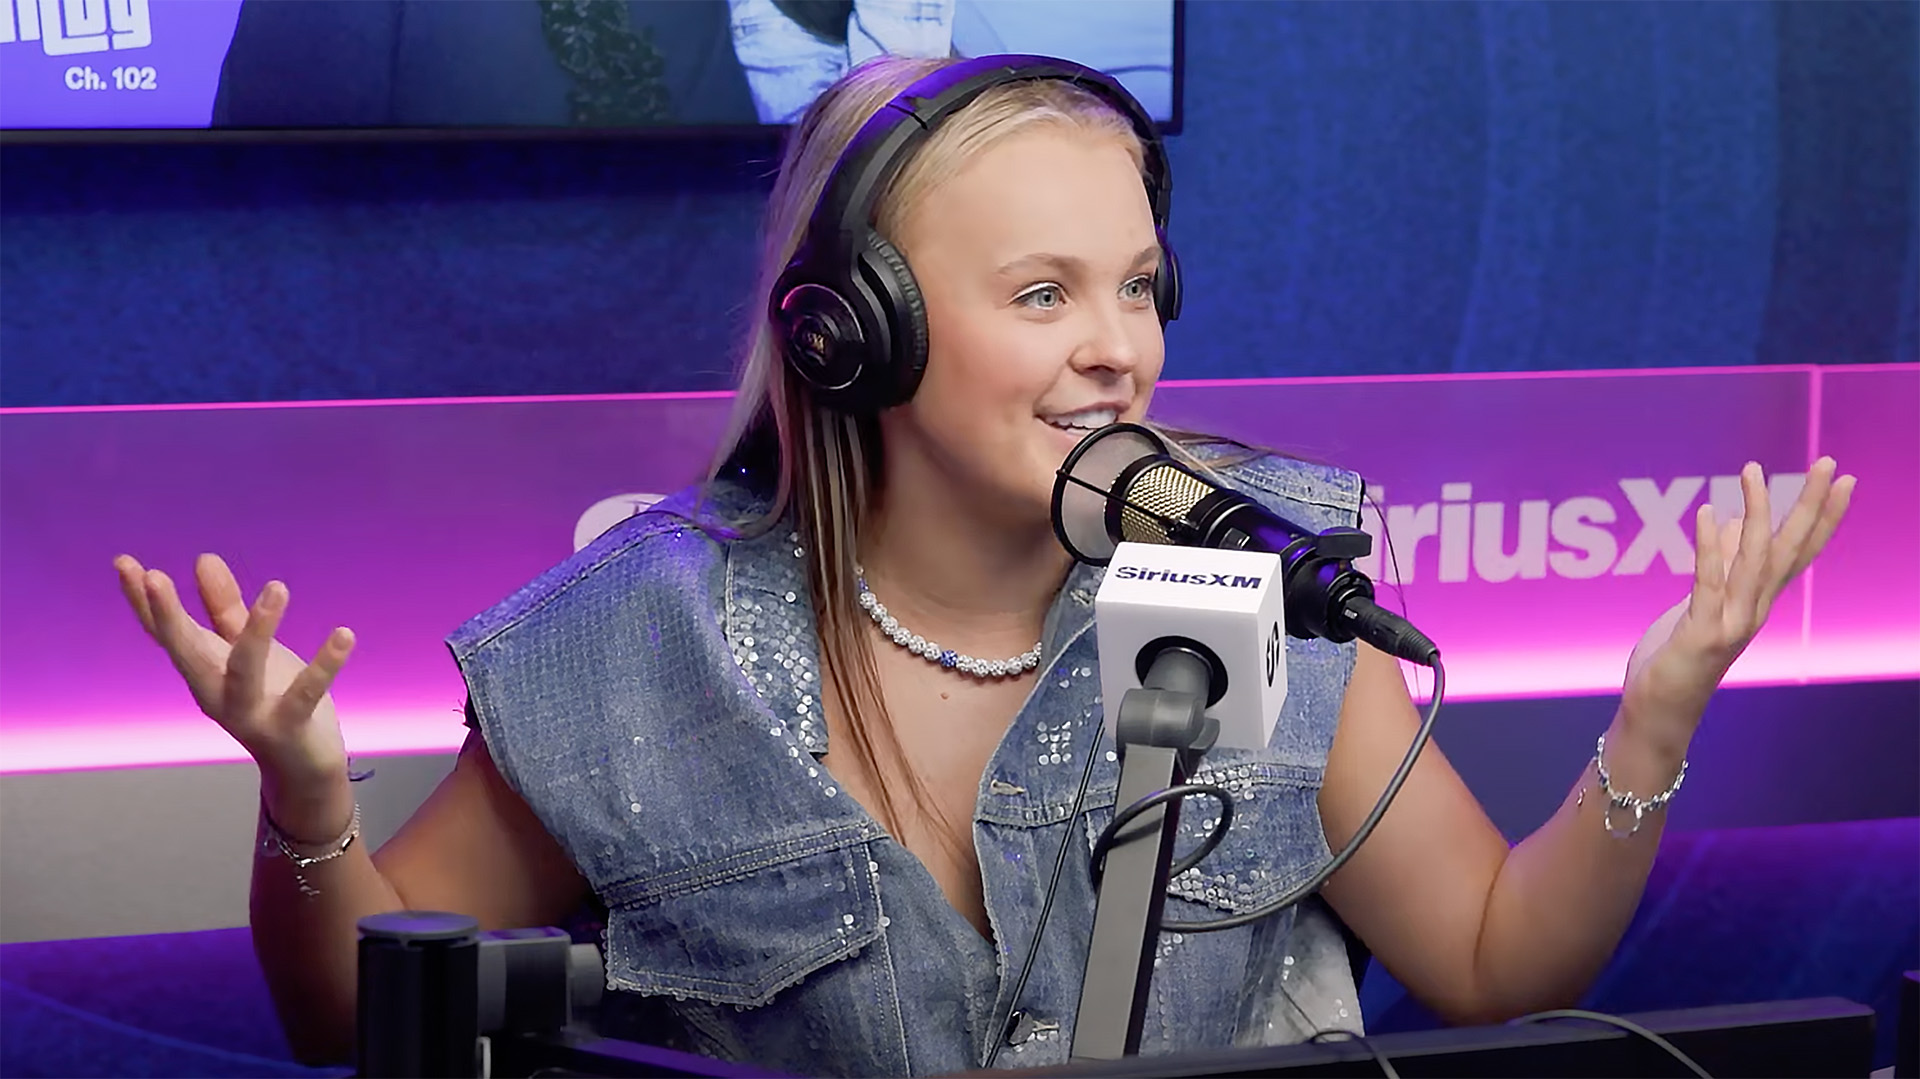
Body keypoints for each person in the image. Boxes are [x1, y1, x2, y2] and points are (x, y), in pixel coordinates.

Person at [114, 53, 1854, 1076]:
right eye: (1043, 293)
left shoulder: (1237, 570)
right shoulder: (640, 642)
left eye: (1138, 286)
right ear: (850, 332)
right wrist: (306, 800)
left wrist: (1653, 723)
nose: (1119, 346)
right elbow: (350, 1016)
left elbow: (1490, 963)